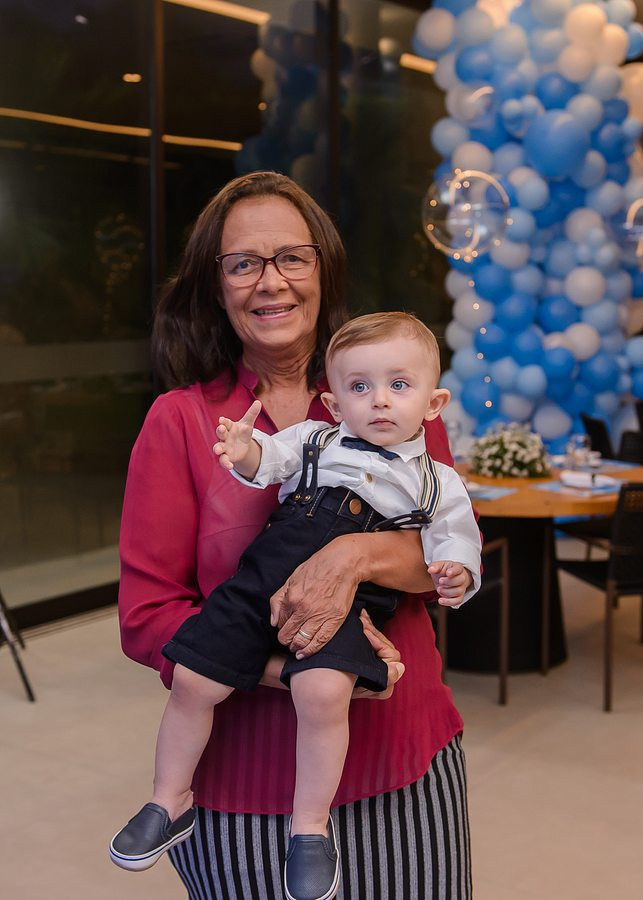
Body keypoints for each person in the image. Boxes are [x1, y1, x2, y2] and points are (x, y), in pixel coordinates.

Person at [116, 171, 476, 899]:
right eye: (243, 263)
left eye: (292, 257)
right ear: (216, 285)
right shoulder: (184, 423)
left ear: (323, 270)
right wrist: (312, 671)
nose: (270, 281)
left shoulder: (389, 396)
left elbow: (441, 557)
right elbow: (148, 617)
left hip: (406, 756)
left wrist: (352, 554)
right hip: (245, 784)